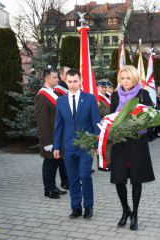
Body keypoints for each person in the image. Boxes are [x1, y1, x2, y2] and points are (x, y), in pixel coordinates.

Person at [110, 65, 155, 231]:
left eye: (128, 78)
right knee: (119, 180)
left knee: (136, 179)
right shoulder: (115, 96)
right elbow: (110, 118)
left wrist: (139, 129)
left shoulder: (143, 94)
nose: (125, 81)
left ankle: (135, 214)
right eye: (122, 78)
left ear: (134, 78)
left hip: (137, 143)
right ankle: (125, 210)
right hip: (119, 144)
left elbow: (152, 119)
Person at [53, 69, 101, 219]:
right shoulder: (60, 101)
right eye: (70, 81)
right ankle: (76, 207)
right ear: (65, 82)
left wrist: (97, 144)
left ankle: (88, 206)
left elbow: (96, 123)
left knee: (85, 175)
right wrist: (56, 147)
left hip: (86, 145)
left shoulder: (90, 99)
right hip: (68, 147)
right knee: (72, 178)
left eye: (75, 81)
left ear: (80, 82)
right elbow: (59, 125)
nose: (72, 84)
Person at [35, 69, 68, 199]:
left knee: (55, 163)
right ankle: (48, 189)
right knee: (49, 164)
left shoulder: (54, 93)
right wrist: (47, 142)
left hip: (58, 136)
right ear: (47, 79)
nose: (57, 79)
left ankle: (53, 186)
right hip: (50, 138)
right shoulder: (42, 96)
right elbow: (42, 121)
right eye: (55, 77)